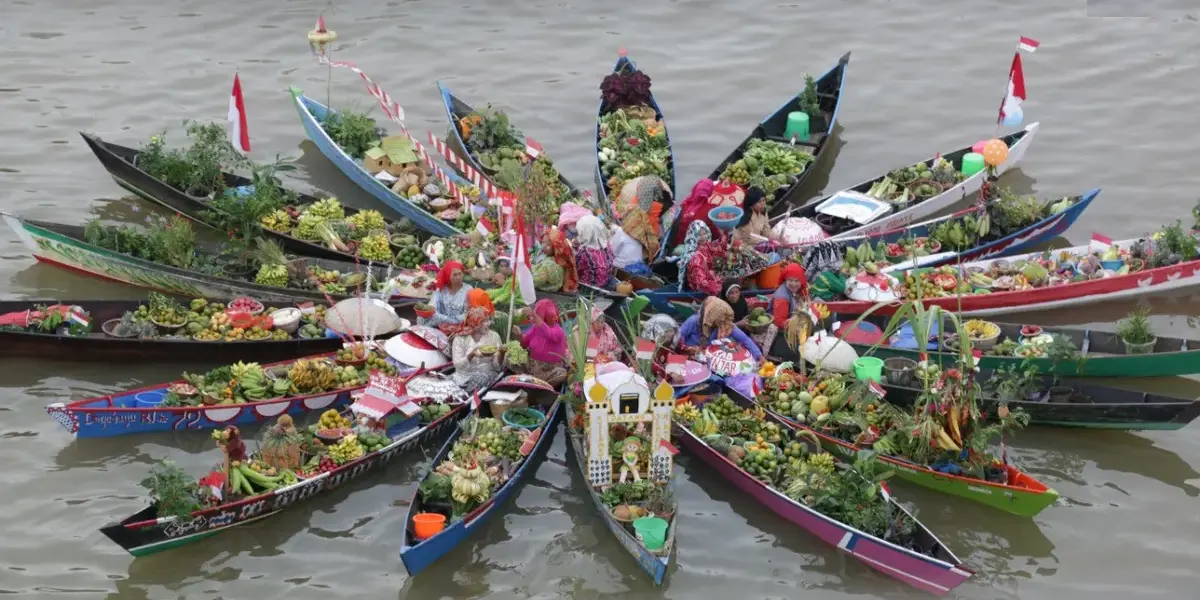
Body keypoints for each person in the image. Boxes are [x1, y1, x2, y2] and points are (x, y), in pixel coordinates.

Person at [676, 297, 762, 361]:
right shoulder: (693, 321)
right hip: (691, 358)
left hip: (712, 359)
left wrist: (760, 357)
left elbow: (745, 339)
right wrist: (687, 350)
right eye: (715, 320)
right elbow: (678, 339)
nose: (718, 323)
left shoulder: (724, 323)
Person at [510, 299, 568, 386]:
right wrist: (518, 335)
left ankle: (532, 381)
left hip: (550, 371)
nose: (533, 319)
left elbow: (549, 333)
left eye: (538, 315)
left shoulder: (558, 331)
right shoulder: (535, 328)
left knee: (562, 373)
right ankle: (531, 380)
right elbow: (524, 344)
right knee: (508, 356)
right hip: (532, 367)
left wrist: (533, 314)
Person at [448, 306, 504, 393]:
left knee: (477, 381)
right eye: (485, 321)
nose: (489, 323)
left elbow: (497, 367)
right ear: (474, 322)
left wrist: (502, 353)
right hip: (463, 374)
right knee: (447, 384)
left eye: (489, 320)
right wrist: (471, 355)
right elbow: (458, 365)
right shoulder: (460, 338)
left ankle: (466, 397)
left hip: (486, 374)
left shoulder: (494, 336)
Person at [724, 278, 779, 354]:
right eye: (731, 293)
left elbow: (745, 316)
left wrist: (748, 319)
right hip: (728, 335)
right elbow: (721, 328)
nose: (735, 295)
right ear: (726, 294)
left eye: (737, 292)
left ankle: (763, 354)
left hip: (744, 331)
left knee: (770, 330)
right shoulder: (722, 306)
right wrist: (738, 324)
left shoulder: (741, 300)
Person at [610, 207, 660, 276]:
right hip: (637, 266)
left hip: (621, 267)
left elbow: (611, 252)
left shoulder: (621, 232)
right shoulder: (641, 234)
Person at [676, 221, 722, 295]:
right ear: (693, 236)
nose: (703, 237)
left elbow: (719, 250)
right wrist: (720, 287)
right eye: (699, 235)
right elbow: (701, 282)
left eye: (704, 233)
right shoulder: (695, 257)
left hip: (714, 278)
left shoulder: (708, 246)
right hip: (703, 288)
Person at [671, 180, 716, 247]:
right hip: (696, 245)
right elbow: (714, 232)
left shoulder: (686, 204)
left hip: (681, 242)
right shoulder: (710, 209)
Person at [428, 261, 472, 328]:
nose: (458, 277)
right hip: (440, 325)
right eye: (455, 275)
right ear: (448, 275)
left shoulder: (468, 290)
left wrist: (448, 320)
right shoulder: (441, 288)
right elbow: (431, 307)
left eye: (460, 274)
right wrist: (441, 319)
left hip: (460, 326)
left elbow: (468, 314)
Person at [574, 215, 615, 288]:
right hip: (606, 282)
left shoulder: (585, 252)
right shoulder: (607, 245)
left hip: (589, 287)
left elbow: (576, 268)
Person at [540, 227, 578, 293]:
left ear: (556, 247)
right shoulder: (561, 260)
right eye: (543, 242)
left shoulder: (552, 265)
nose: (543, 247)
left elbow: (533, 280)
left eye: (548, 244)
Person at [772, 263, 809, 328]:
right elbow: (779, 322)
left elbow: (805, 299)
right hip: (782, 331)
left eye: (797, 281)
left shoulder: (797, 289)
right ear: (785, 280)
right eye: (790, 280)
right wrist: (800, 323)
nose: (793, 284)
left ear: (801, 281)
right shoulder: (782, 298)